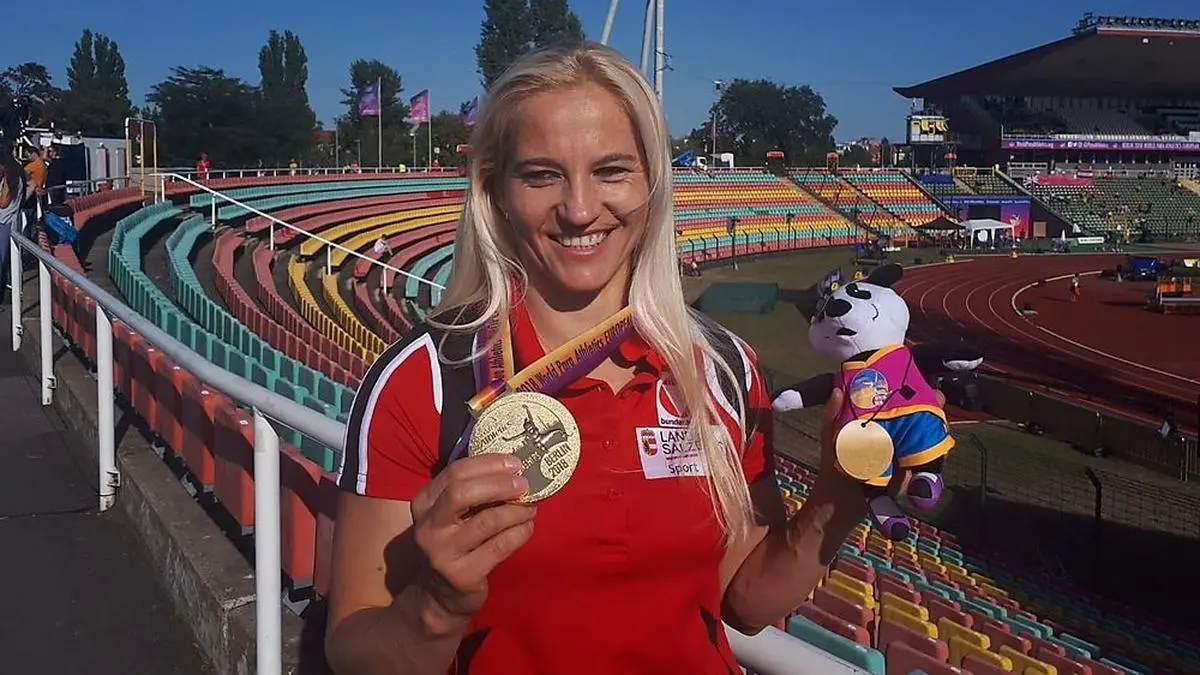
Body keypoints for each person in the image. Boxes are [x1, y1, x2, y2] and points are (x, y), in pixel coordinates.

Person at [324, 42, 871, 675]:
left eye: (611, 171)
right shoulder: (423, 380)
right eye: (541, 174)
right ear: (495, 191)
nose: (580, 209)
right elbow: (353, 650)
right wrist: (437, 608)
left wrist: (842, 488)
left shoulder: (723, 367)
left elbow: (745, 598)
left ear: (652, 183)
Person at [0, 151, 27, 305]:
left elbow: (3, 202)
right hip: (11, 220)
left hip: (5, 222)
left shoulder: (10, 180)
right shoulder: (19, 176)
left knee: (2, 260)